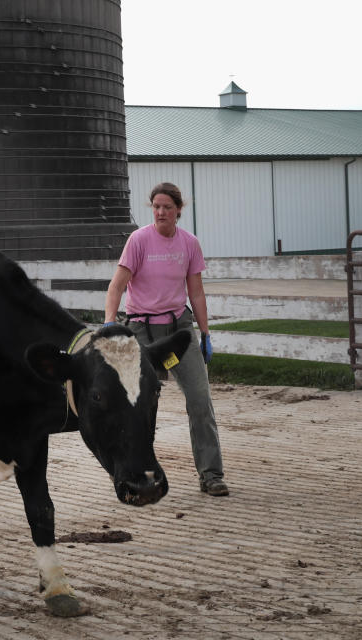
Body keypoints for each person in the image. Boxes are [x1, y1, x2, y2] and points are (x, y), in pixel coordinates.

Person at [103, 182, 229, 497]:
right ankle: (132, 475)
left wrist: (205, 333)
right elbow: (117, 286)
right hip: (142, 333)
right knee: (140, 406)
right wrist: (108, 325)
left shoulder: (189, 244)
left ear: (178, 211)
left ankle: (211, 474)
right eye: (156, 207)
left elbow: (196, 292)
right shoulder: (138, 241)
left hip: (178, 333)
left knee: (200, 399)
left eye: (167, 207)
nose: (160, 212)